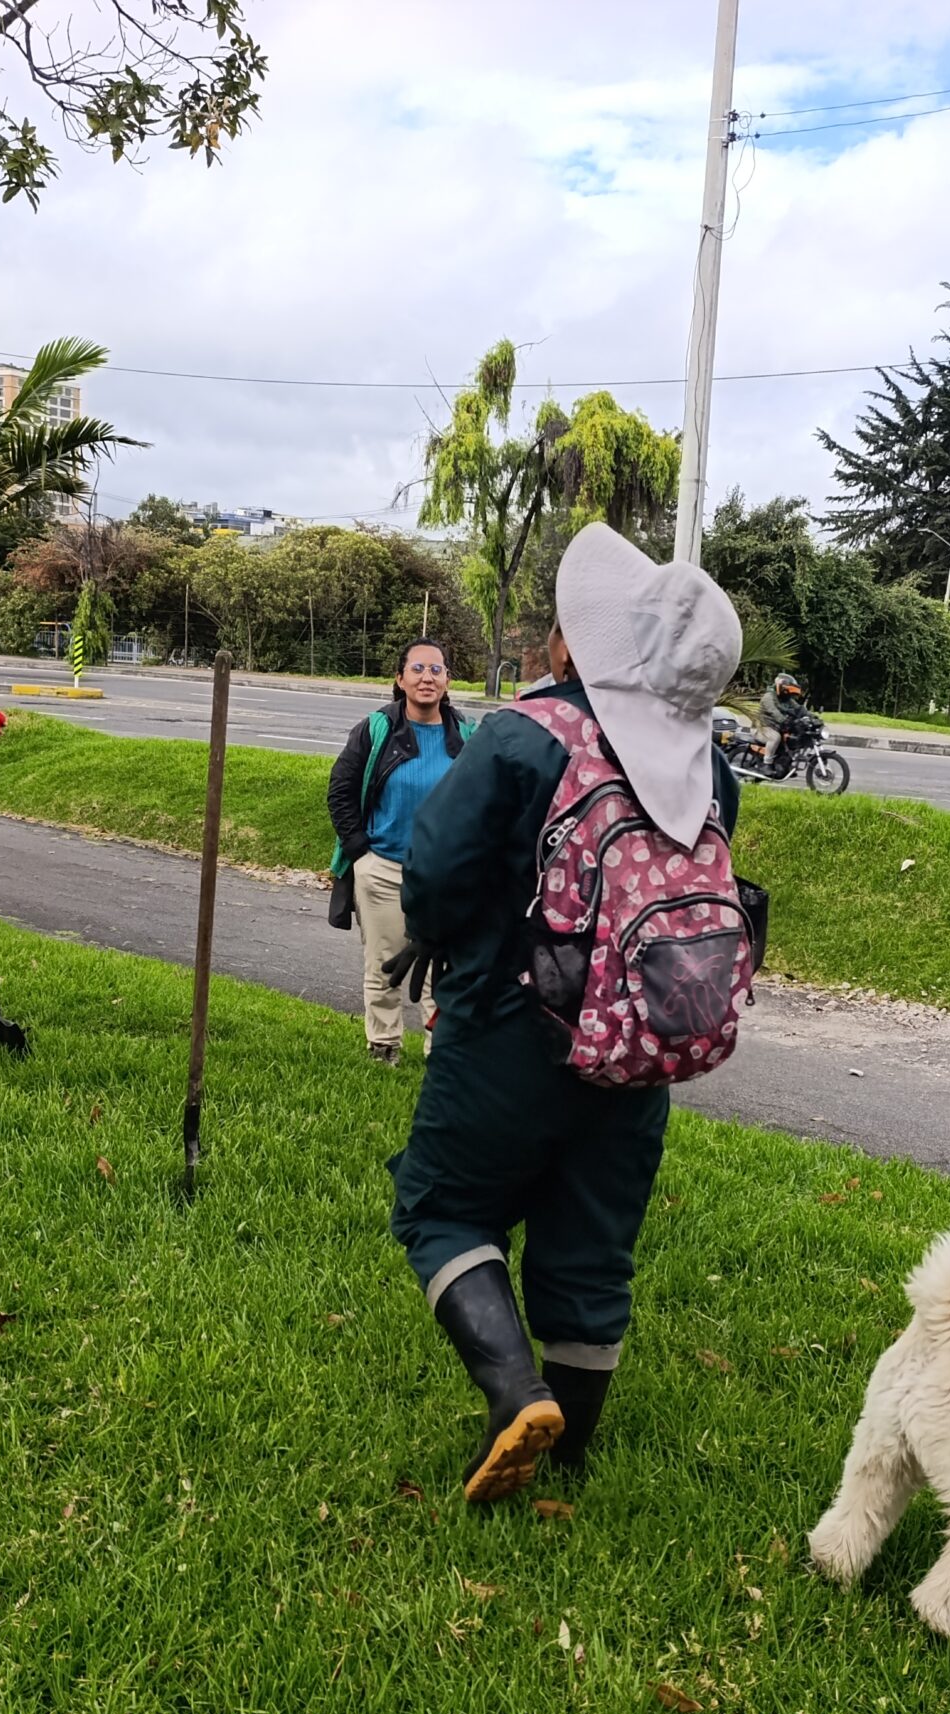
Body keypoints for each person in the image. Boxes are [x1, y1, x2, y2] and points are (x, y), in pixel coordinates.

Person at [384, 524, 743, 1502]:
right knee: (591, 1236)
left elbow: (438, 876)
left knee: (442, 1203)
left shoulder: (524, 732)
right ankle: (570, 1453)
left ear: (574, 647)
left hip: (510, 1023)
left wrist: (447, 954)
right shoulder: (705, 762)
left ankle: (513, 1394)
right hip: (640, 1042)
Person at [325, 639, 472, 1063]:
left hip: (444, 876)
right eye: (418, 669)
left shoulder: (466, 735)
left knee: (444, 967)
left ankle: (439, 1051)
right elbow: (340, 792)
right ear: (400, 678)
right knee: (385, 962)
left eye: (437, 670)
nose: (428, 677)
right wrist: (360, 854)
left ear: (447, 680)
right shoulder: (376, 730)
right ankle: (384, 1045)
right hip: (383, 868)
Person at [757, 670, 808, 763]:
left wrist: (812, 717)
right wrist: (784, 721)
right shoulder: (768, 697)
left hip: (778, 727)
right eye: (787, 691)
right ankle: (766, 763)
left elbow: (798, 708)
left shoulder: (786, 699)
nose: (789, 694)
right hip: (763, 727)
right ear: (781, 687)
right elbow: (774, 712)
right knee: (775, 737)